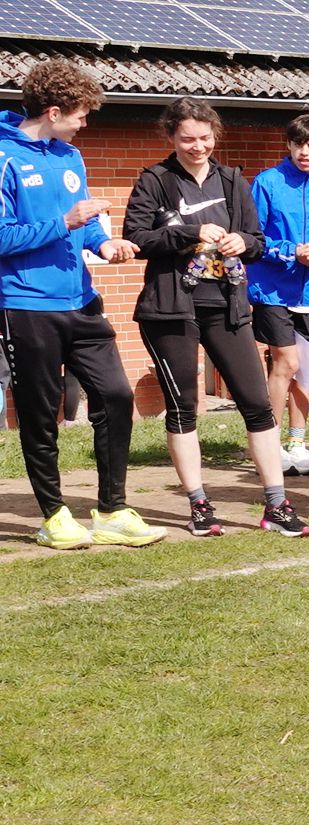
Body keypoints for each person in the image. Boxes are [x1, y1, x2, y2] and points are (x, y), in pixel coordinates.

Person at [125, 97, 309, 539]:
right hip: (170, 309)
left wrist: (239, 242)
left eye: (205, 138)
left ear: (215, 136)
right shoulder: (156, 179)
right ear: (172, 137)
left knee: (258, 404)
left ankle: (276, 503)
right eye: (187, 138)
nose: (197, 146)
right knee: (184, 406)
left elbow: (259, 241)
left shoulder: (231, 180)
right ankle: (199, 505)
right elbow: (136, 237)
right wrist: (190, 233)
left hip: (226, 306)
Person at [0, 58, 159, 550]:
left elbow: (86, 219)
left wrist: (103, 243)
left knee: (116, 395)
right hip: (26, 304)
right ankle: (53, 514)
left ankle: (111, 509)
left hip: (82, 300)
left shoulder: (70, 155)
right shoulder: (4, 156)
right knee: (41, 409)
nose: (85, 123)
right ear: (52, 110)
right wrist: (65, 224)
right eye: (81, 115)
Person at [249, 113, 309, 479]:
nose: (306, 152)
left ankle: (297, 443)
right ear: (289, 145)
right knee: (285, 362)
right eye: (299, 144)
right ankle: (268, 442)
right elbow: (254, 237)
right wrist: (292, 251)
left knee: (306, 369)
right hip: (271, 290)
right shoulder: (267, 182)